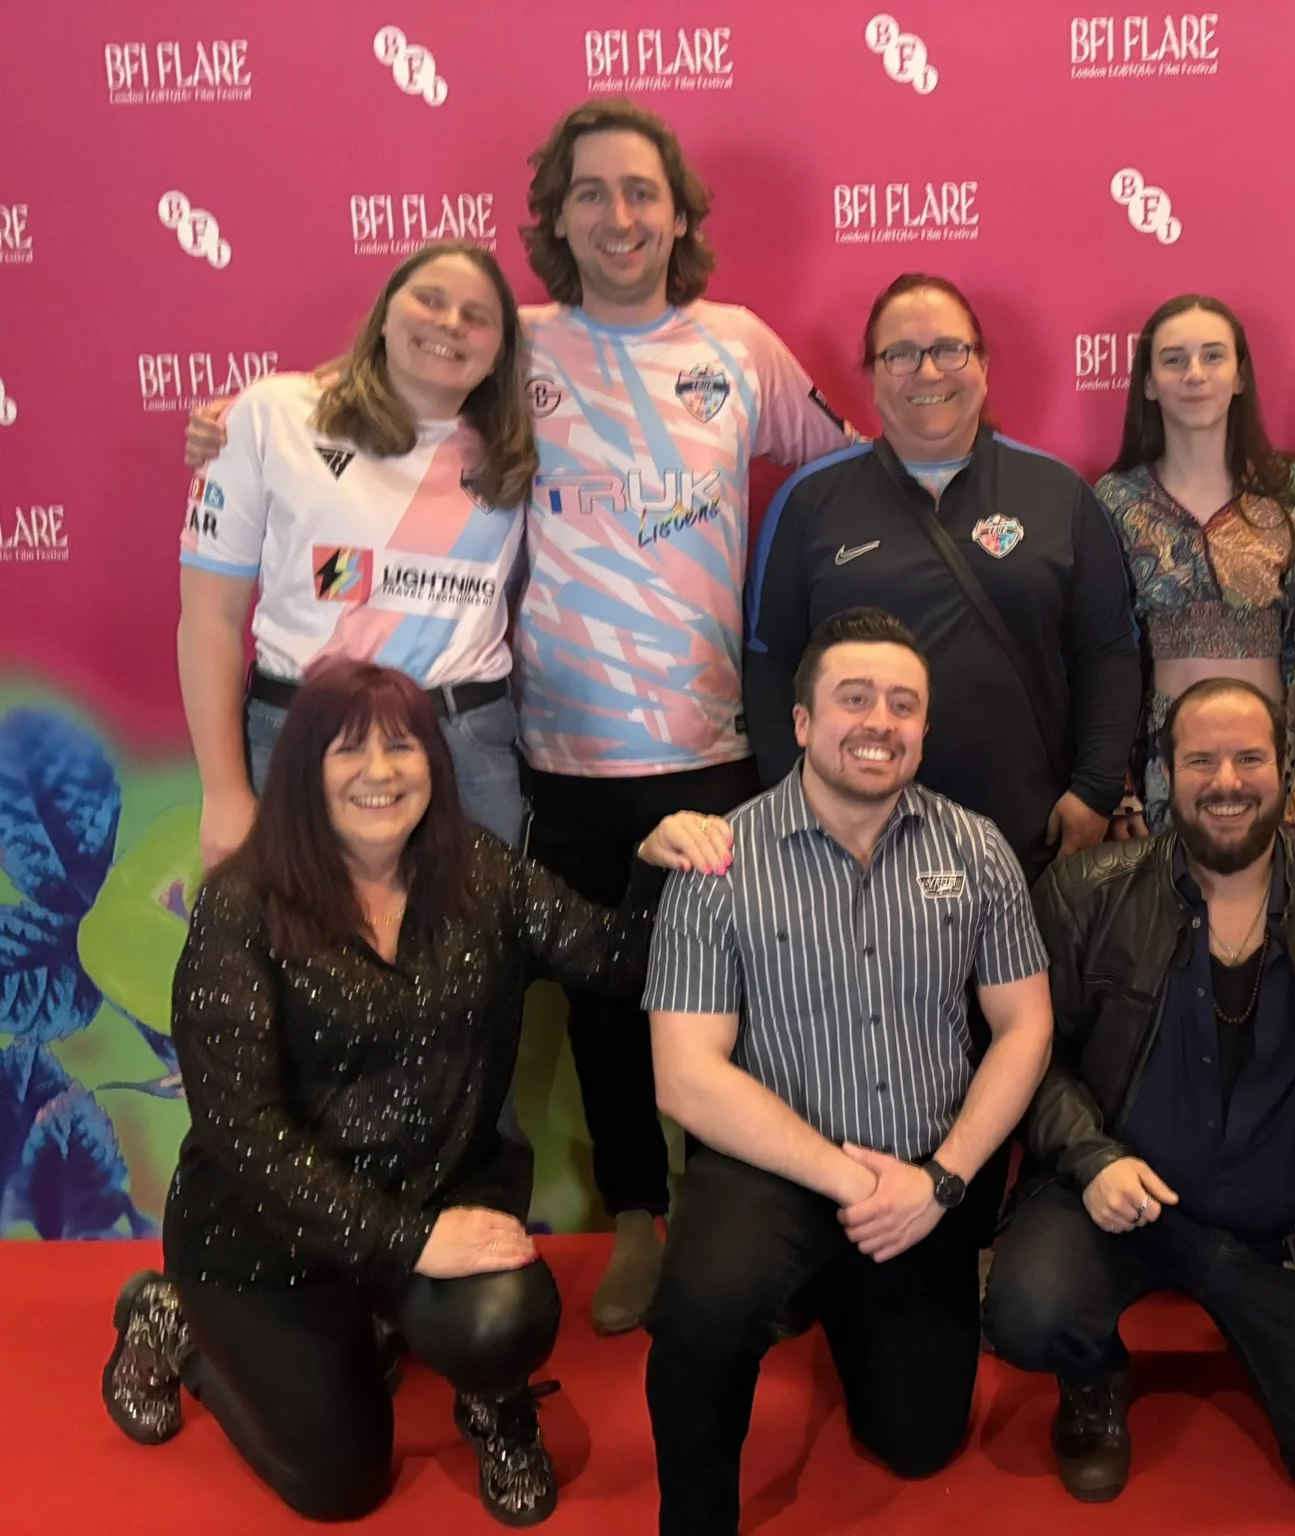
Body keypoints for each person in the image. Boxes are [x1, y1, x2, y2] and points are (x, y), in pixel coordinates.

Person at [184, 98, 856, 1332]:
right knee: (603, 1001)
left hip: (717, 742)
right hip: (557, 746)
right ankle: (640, 1224)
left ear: (679, 214)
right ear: (553, 218)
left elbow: (842, 471)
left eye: (641, 191)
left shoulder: (743, 347)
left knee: (742, 993)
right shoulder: (513, 346)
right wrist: (232, 423)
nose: (618, 215)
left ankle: (737, 1227)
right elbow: (374, 396)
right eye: (589, 193)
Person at [99, 659, 713, 1527]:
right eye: (347, 751)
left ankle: (488, 1400)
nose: (380, 772)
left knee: (507, 1316)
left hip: (441, 1193)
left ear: (436, 762)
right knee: (339, 1488)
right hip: (272, 1237)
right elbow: (243, 1134)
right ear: (303, 771)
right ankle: (176, 1325)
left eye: (402, 746)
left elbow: (617, 960)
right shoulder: (242, 907)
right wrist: (410, 1241)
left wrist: (657, 868)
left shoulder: (483, 874)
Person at [983, 678, 1295, 1514]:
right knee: (1025, 1310)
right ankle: (1092, 1379)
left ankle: (1247, 1315)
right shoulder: (1083, 895)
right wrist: (1090, 1157)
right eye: (1201, 759)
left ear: (1288, 768)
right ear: (1165, 774)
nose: (1226, 781)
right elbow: (1026, 1055)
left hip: (1292, 1237)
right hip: (1120, 1207)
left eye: (1249, 757)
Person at [642, 608, 1054, 1536]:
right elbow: (686, 1079)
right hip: (774, 1169)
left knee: (919, 1441)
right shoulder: (721, 859)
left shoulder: (977, 851)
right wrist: (853, 1181)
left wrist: (941, 1181)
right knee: (702, 1312)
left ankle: (837, 1298)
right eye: (854, 698)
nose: (879, 721)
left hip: (926, 1179)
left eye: (903, 704)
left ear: (925, 727)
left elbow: (1025, 1027)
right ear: (799, 721)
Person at [744, 273, 1141, 888]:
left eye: (949, 349)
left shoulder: (1057, 495)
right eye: (900, 354)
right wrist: (791, 809)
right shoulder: (809, 502)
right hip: (851, 853)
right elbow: (770, 665)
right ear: (871, 376)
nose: (928, 373)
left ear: (982, 365)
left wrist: (1092, 792)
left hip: (1027, 845)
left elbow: (1109, 651)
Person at [178, 240, 537, 864]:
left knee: (477, 957)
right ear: (385, 314)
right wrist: (224, 792)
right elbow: (211, 616)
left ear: (500, 352)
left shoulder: (517, 448)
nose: (451, 323)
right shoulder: (271, 416)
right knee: (300, 954)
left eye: (478, 317)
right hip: (302, 737)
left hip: (466, 746)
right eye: (430, 300)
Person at [1094, 295, 1295, 843]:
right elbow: (1102, 659)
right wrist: (1118, 788)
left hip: (1272, 754)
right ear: (1147, 384)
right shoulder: (1115, 502)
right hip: (1166, 761)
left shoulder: (1293, 493)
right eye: (1173, 360)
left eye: (1213, 357)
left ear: (1239, 376)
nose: (1195, 375)